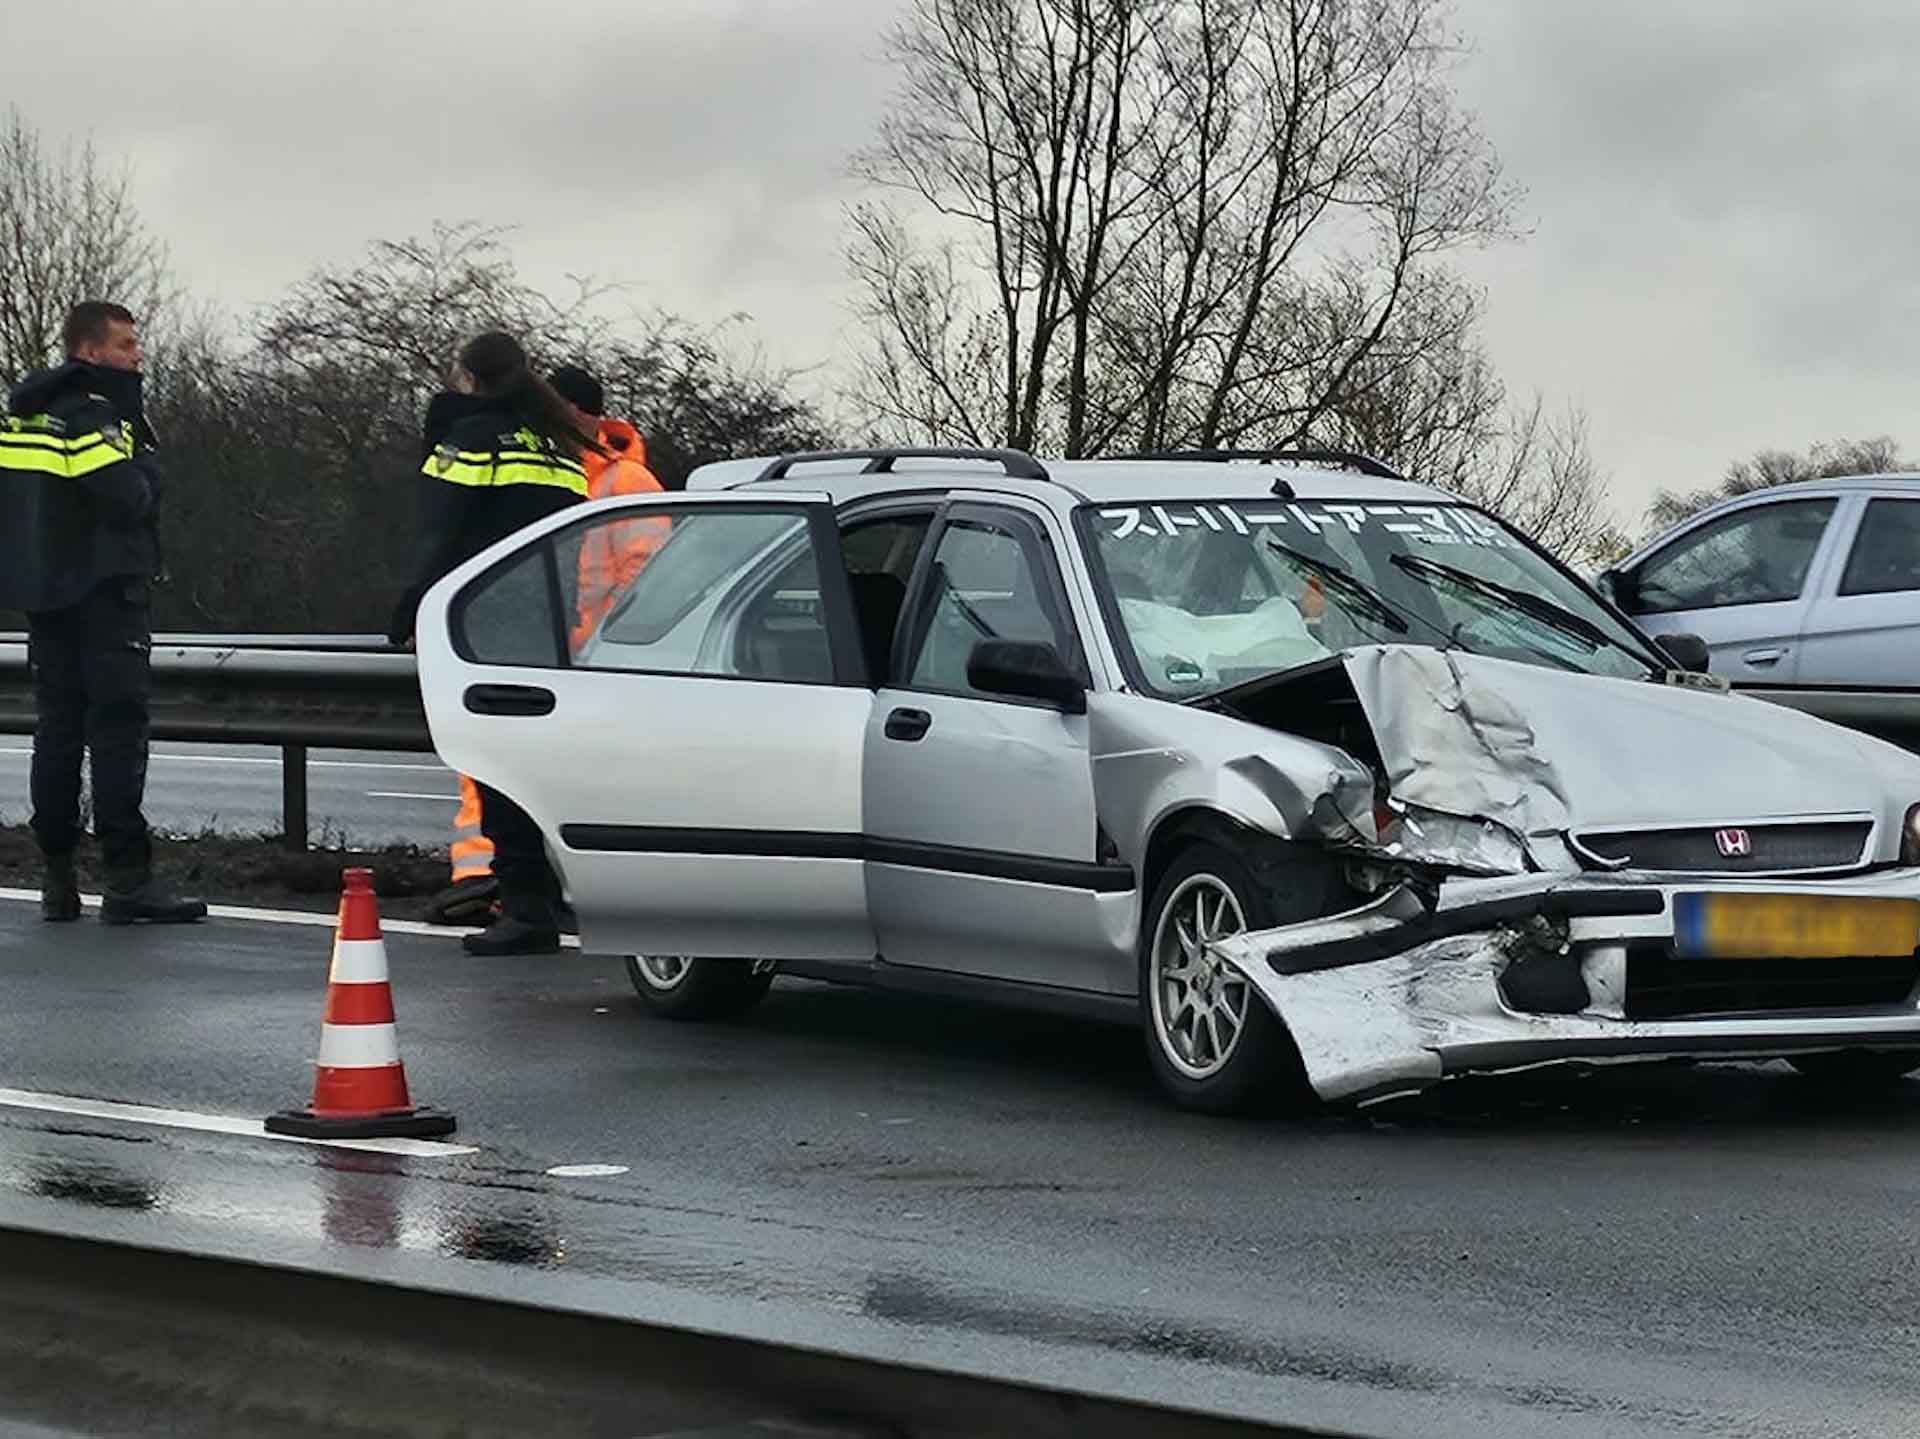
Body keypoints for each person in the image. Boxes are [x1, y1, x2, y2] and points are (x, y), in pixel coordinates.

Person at [0, 302, 207, 925]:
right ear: (91, 352)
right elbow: (131, 499)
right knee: (117, 732)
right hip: (105, 595)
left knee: (57, 733)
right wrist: (146, 459)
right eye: (126, 345)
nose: (137, 355)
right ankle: (127, 880)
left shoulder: (28, 415)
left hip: (46, 594)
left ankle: (57, 878)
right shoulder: (94, 416)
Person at [388, 332, 593, 956]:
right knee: (533, 766)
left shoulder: (472, 439)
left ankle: (525, 907)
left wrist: (407, 610)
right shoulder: (560, 445)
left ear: (470, 378)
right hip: (551, 622)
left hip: (485, 624)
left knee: (494, 764)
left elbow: (440, 530)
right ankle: (546, 898)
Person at [545, 364, 666, 648]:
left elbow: (646, 572)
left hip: (595, 650)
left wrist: (597, 637)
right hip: (556, 644)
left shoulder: (628, 478)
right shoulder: (554, 470)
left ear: (570, 410)